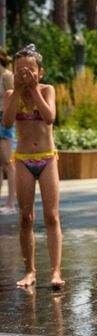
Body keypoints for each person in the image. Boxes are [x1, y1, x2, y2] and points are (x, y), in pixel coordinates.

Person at [2, 44, 65, 288]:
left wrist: (33, 90)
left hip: (47, 158)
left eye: (30, 70)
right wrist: (18, 90)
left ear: (40, 72)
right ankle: (29, 271)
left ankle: (56, 271)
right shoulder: (11, 95)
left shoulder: (47, 90)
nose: (25, 74)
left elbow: (50, 117)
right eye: (20, 70)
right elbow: (7, 122)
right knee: (26, 218)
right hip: (23, 160)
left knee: (51, 216)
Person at [0, 48, 16, 214]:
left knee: (7, 162)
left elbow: (13, 99)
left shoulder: (7, 76)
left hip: (4, 120)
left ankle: (11, 203)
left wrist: (8, 121)